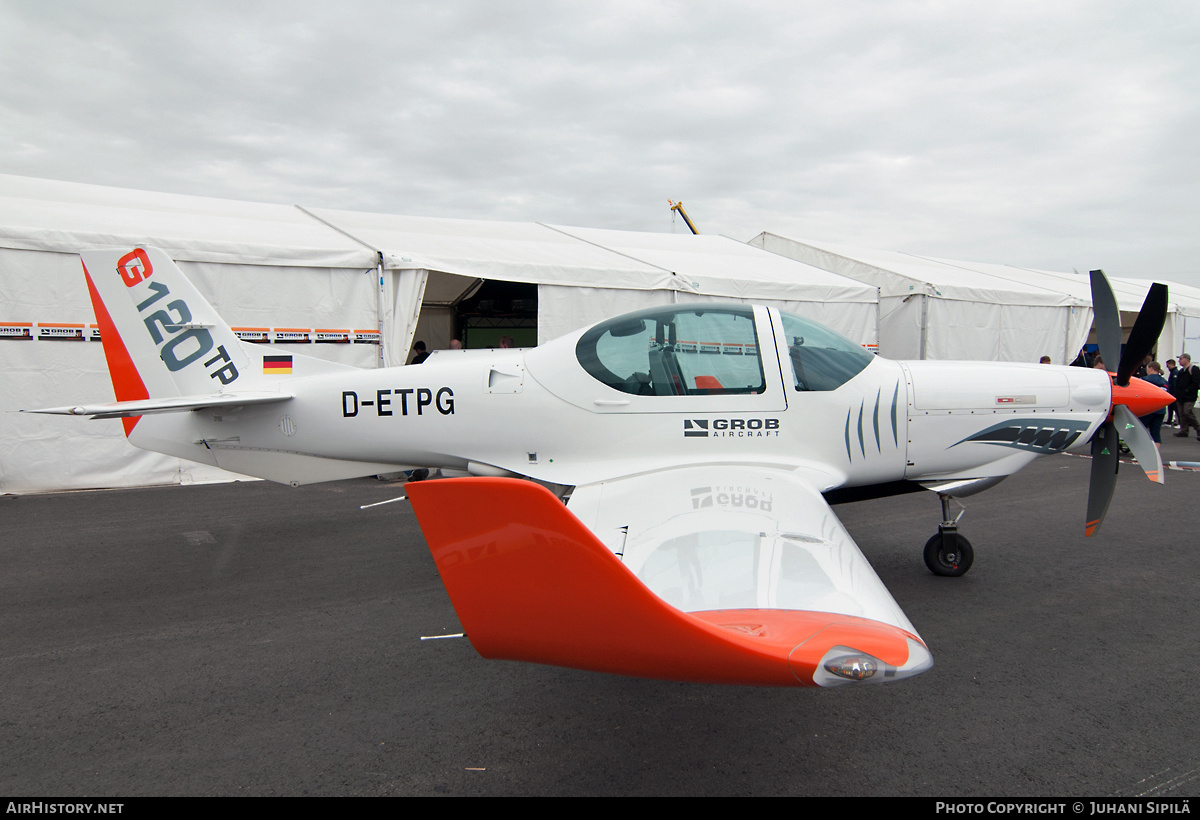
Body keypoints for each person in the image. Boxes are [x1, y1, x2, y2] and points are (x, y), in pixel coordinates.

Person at [1139, 362, 1168, 446]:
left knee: (1141, 431)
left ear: (1151, 368)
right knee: (1155, 433)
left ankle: (1141, 452)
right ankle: (1156, 455)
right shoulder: (1164, 381)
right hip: (1161, 410)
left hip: (1147, 409)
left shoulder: (1144, 380)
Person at [1172, 353, 1200, 440]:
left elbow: (1196, 382)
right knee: (1181, 413)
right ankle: (1184, 430)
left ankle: (1198, 428)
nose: (1179, 361)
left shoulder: (1193, 369)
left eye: (1181, 359)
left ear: (1187, 359)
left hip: (1189, 396)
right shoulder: (1181, 371)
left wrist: (1188, 390)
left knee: (1187, 411)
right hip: (1180, 396)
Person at [1165, 359, 1179, 426]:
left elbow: (1174, 384)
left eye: (1168, 366)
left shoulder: (1175, 373)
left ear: (1171, 364)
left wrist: (1173, 392)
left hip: (1173, 393)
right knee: (1171, 407)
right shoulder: (1173, 372)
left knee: (1175, 408)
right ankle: (1169, 420)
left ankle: (1178, 421)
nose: (1167, 367)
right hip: (1172, 393)